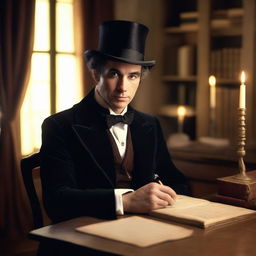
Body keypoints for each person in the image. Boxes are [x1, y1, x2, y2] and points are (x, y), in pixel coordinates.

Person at [40, 20, 190, 225]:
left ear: (140, 79)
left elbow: (179, 182)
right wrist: (125, 201)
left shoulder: (150, 124)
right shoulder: (58, 125)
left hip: (145, 229)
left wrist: (162, 192)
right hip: (84, 234)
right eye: (114, 74)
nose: (123, 87)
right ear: (95, 74)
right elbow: (57, 201)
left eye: (132, 76)